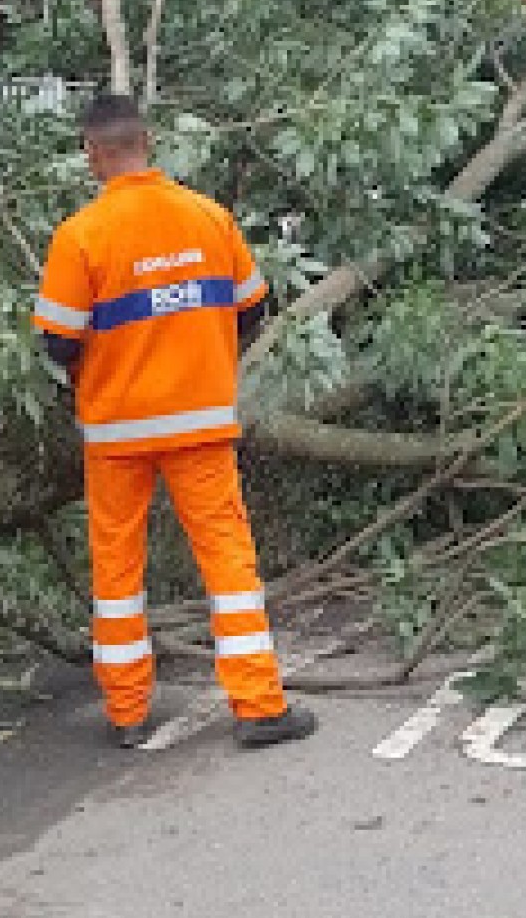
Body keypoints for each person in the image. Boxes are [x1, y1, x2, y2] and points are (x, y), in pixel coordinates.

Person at [32, 92, 318, 751]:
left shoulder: (81, 236)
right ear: (149, 141)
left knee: (117, 569)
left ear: (91, 154)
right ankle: (258, 705)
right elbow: (250, 310)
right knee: (226, 559)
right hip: (201, 423)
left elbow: (57, 342)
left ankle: (128, 711)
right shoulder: (208, 218)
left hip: (116, 431)